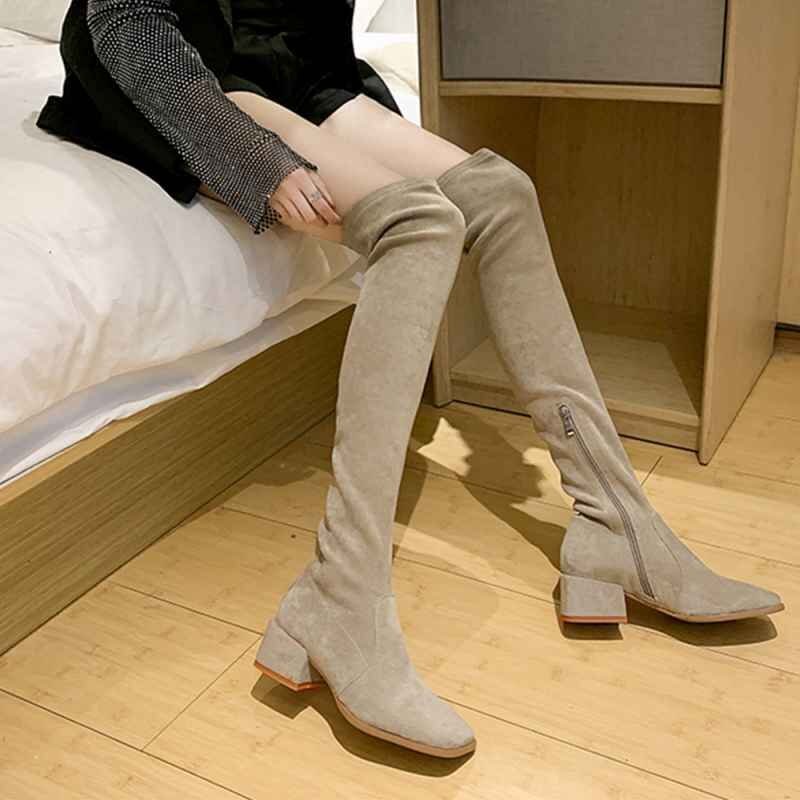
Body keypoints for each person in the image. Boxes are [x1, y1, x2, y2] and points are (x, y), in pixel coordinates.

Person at [37, 0, 784, 761]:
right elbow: (125, 22)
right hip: (175, 64)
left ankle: (614, 522)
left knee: (503, 193)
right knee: (421, 226)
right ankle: (339, 594)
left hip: (291, 66)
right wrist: (255, 157)